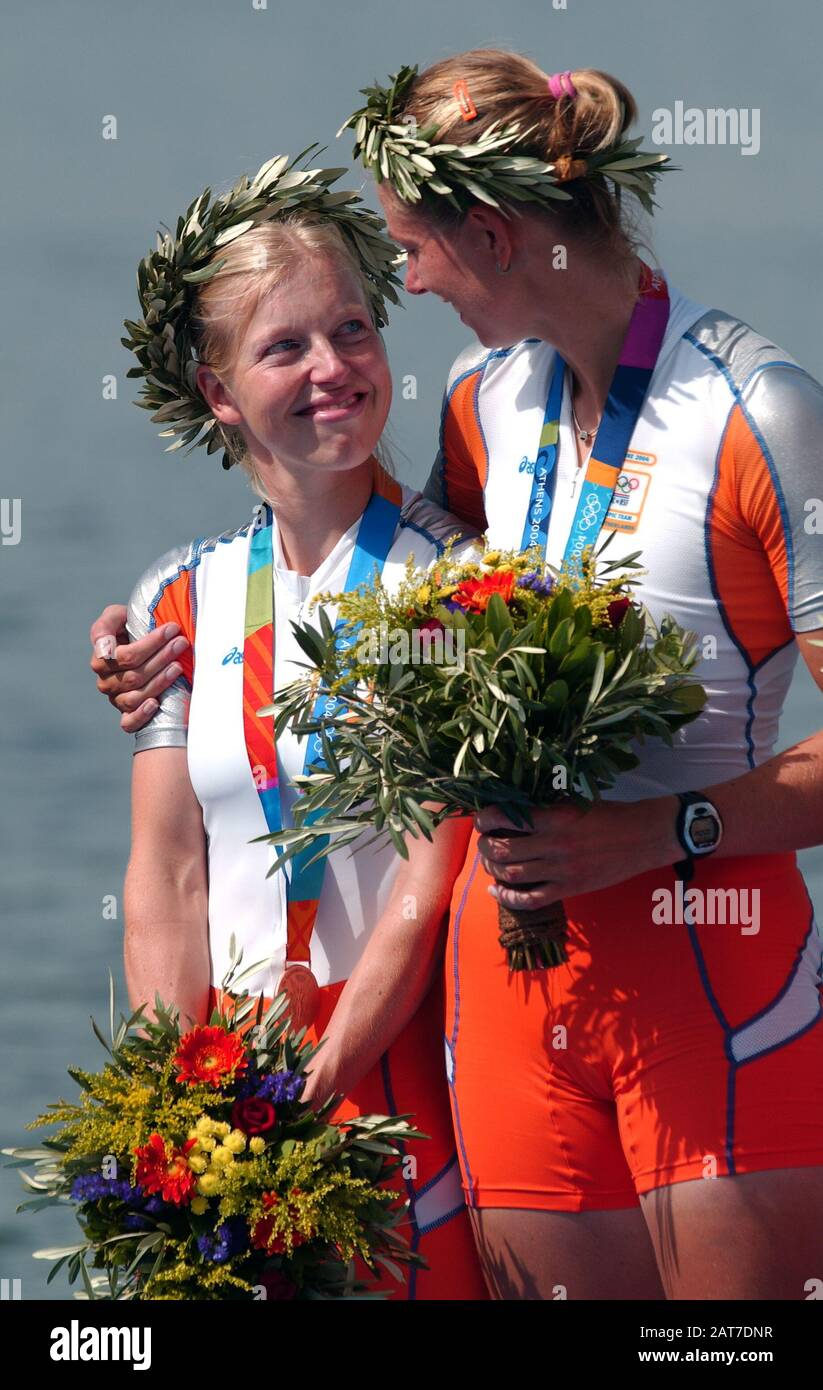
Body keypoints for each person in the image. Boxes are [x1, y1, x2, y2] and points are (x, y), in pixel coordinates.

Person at [92, 52, 823, 1301]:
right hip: (508, 1010)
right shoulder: (489, 405)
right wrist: (156, 658)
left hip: (708, 970)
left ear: (487, 234)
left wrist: (658, 830)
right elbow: (373, 613)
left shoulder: (761, 410)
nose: (409, 282)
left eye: (409, 252)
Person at [98, 157, 488, 1301]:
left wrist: (318, 1077)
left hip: (403, 1082)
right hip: (231, 1108)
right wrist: (182, 1101)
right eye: (285, 348)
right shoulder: (178, 597)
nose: (334, 370)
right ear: (218, 393)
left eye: (354, 330)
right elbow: (167, 877)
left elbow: (430, 875)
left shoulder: (455, 584)